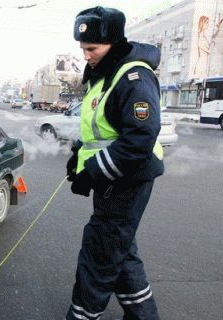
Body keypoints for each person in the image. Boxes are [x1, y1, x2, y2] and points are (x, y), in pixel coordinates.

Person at [65, 6, 164, 320]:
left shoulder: (133, 75)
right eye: (82, 49)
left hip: (129, 178)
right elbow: (104, 131)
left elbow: (140, 138)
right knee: (120, 249)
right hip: (114, 178)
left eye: (91, 49)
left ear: (114, 43)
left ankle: (81, 316)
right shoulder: (104, 74)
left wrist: (92, 171)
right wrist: (79, 155)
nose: (86, 55)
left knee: (100, 250)